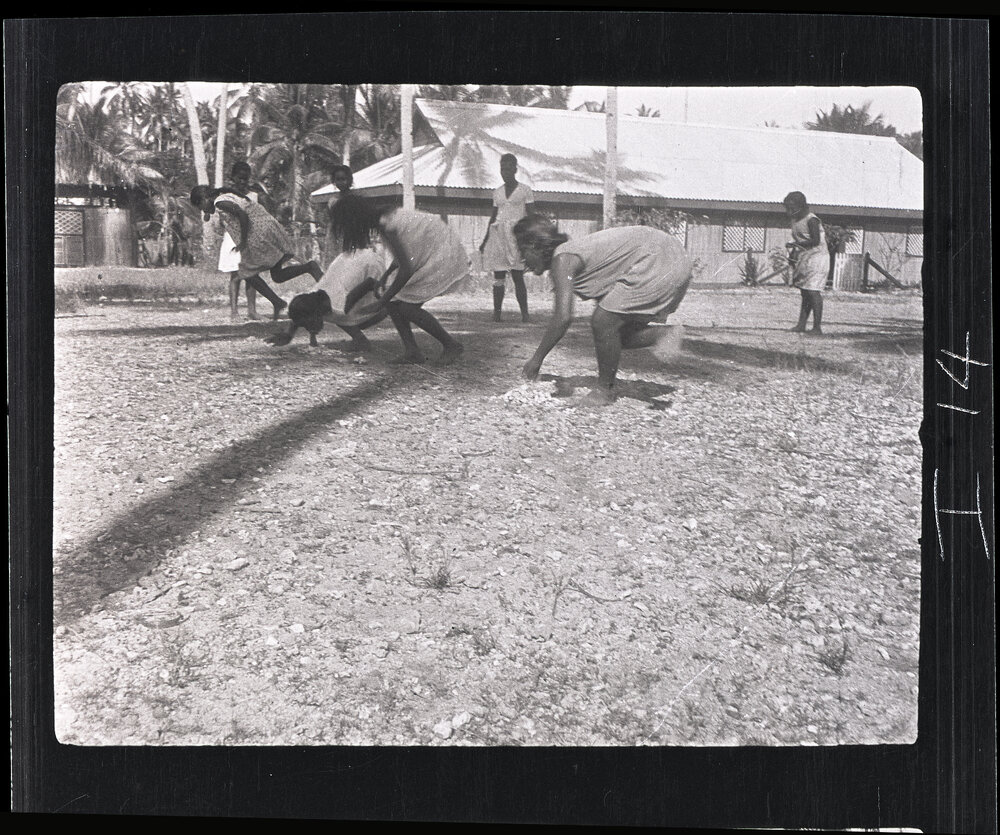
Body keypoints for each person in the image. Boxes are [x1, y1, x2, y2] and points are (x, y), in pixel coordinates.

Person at [514, 215, 692, 406]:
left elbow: (563, 317)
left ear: (534, 246)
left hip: (657, 260)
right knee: (613, 334)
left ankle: (605, 391)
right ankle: (664, 334)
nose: (522, 259)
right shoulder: (576, 253)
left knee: (603, 322)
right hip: (676, 259)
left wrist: (536, 360)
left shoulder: (563, 259)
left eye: (522, 251)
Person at [329, 193, 468, 365]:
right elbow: (406, 253)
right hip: (434, 250)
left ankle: (451, 345)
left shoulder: (387, 224)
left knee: (407, 308)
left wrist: (381, 302)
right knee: (393, 301)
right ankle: (412, 351)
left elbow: (406, 268)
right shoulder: (384, 219)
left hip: (444, 252)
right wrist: (386, 277)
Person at [192, 184, 323, 321]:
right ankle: (309, 268)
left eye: (201, 206)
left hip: (259, 234)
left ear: (205, 199)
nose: (202, 210)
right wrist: (208, 210)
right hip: (266, 228)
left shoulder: (221, 202)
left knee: (247, 273)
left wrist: (242, 241)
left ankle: (277, 302)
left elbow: (242, 215)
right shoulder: (221, 199)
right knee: (277, 276)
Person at [264, 247, 392, 351]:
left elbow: (370, 282)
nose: (308, 330)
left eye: (308, 326)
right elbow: (302, 312)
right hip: (349, 257)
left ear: (317, 315)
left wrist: (386, 300)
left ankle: (365, 333)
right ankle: (361, 334)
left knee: (359, 318)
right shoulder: (314, 297)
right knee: (344, 316)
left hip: (369, 263)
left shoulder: (341, 306)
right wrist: (289, 334)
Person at [479, 153, 534, 322]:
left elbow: (531, 217)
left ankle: (525, 314)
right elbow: (493, 217)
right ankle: (497, 314)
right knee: (499, 276)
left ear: (515, 169)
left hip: (517, 236)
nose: (506, 172)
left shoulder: (525, 190)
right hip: (499, 236)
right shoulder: (497, 192)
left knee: (518, 276)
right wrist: (485, 240)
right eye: (503, 169)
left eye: (509, 168)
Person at [783, 191, 830, 335]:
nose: (789, 211)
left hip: (817, 257)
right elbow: (801, 240)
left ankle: (817, 327)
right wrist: (794, 248)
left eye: (792, 207)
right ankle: (801, 325)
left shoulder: (812, 219)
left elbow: (815, 240)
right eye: (787, 207)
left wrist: (798, 244)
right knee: (805, 291)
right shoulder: (795, 221)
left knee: (813, 291)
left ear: (801, 206)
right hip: (805, 257)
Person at [322, 164, 354, 269]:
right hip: (335, 234)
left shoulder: (354, 199)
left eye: (343, 179)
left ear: (349, 180)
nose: (340, 182)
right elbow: (329, 217)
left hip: (350, 233)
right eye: (338, 179)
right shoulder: (332, 200)